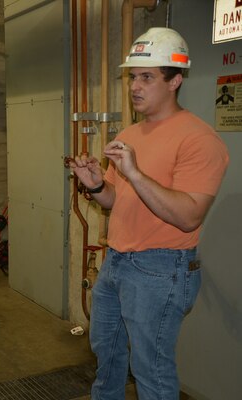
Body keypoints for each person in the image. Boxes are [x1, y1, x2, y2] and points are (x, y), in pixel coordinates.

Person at [69, 27, 229, 399]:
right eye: (132, 77)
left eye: (146, 77)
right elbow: (115, 200)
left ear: (175, 81)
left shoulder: (199, 139)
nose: (135, 87)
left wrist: (135, 173)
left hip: (161, 268)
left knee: (151, 371)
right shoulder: (132, 133)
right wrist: (95, 185)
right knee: (106, 355)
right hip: (117, 261)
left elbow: (189, 216)